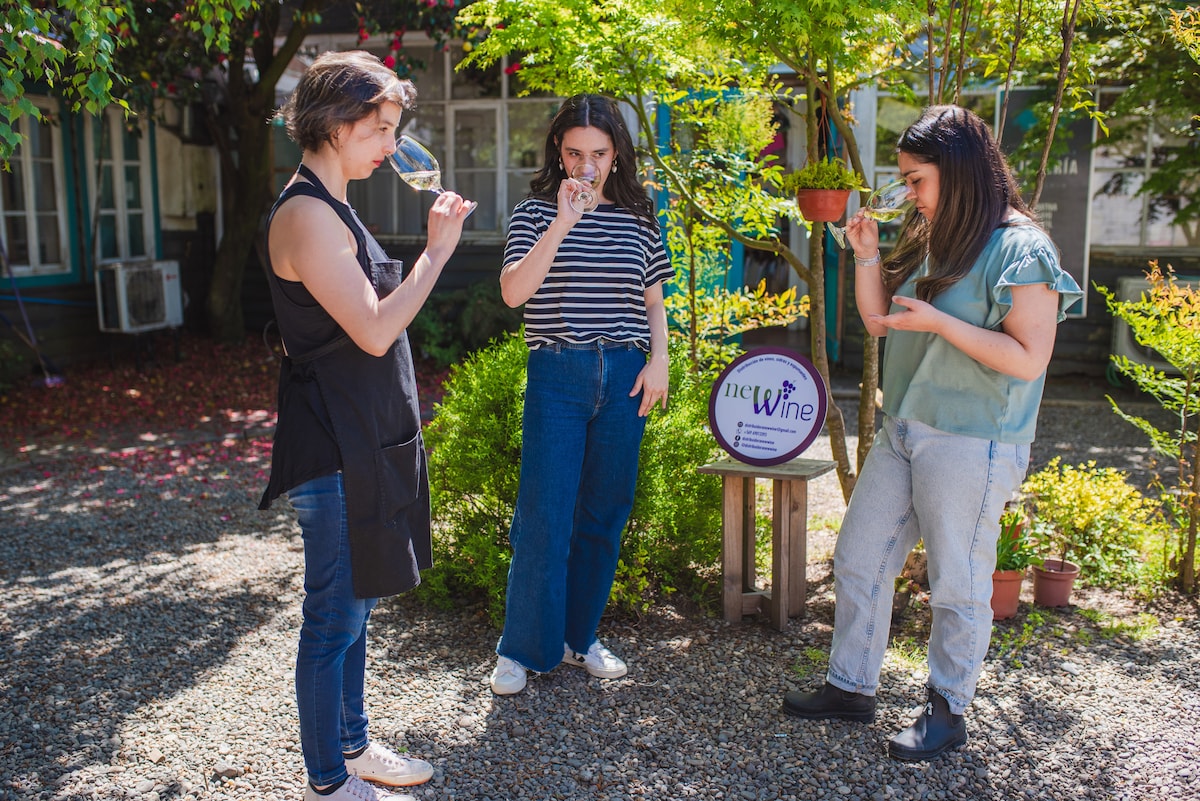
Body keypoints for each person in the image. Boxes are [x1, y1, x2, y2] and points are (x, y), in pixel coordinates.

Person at [780, 105, 1083, 760]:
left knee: (959, 580)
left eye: (917, 179)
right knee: (860, 556)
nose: (910, 193)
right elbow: (883, 320)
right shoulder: (933, 235)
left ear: (961, 172)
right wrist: (865, 255)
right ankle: (852, 687)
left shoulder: (1021, 248)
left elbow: (1029, 357)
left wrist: (944, 325)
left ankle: (947, 710)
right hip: (905, 427)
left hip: (974, 438)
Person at [257, 51, 471, 801]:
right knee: (333, 616)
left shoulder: (333, 202)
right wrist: (436, 253)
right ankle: (328, 781)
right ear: (339, 123)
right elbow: (376, 331)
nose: (390, 145)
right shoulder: (307, 214)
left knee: (360, 596)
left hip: (364, 434)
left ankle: (352, 744)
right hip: (334, 442)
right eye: (381, 128)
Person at [488, 94, 674, 696]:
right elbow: (515, 293)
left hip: (624, 375)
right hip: (558, 373)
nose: (586, 166)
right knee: (543, 516)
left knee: (604, 514)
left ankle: (579, 638)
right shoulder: (532, 212)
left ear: (616, 152)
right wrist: (564, 221)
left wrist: (660, 361)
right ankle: (521, 649)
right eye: (574, 153)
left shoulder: (641, 218)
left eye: (597, 153)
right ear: (558, 152)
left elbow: (652, 300)